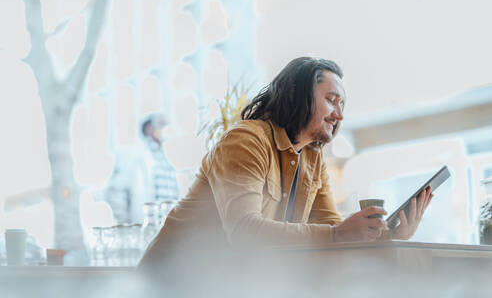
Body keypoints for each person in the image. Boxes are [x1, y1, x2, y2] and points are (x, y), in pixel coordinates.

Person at [138, 57, 433, 286]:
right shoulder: (246, 140)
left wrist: (390, 238)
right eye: (331, 100)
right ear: (297, 95)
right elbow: (244, 233)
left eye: (342, 104)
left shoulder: (312, 158)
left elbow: (335, 234)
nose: (340, 114)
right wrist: (337, 234)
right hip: (170, 284)